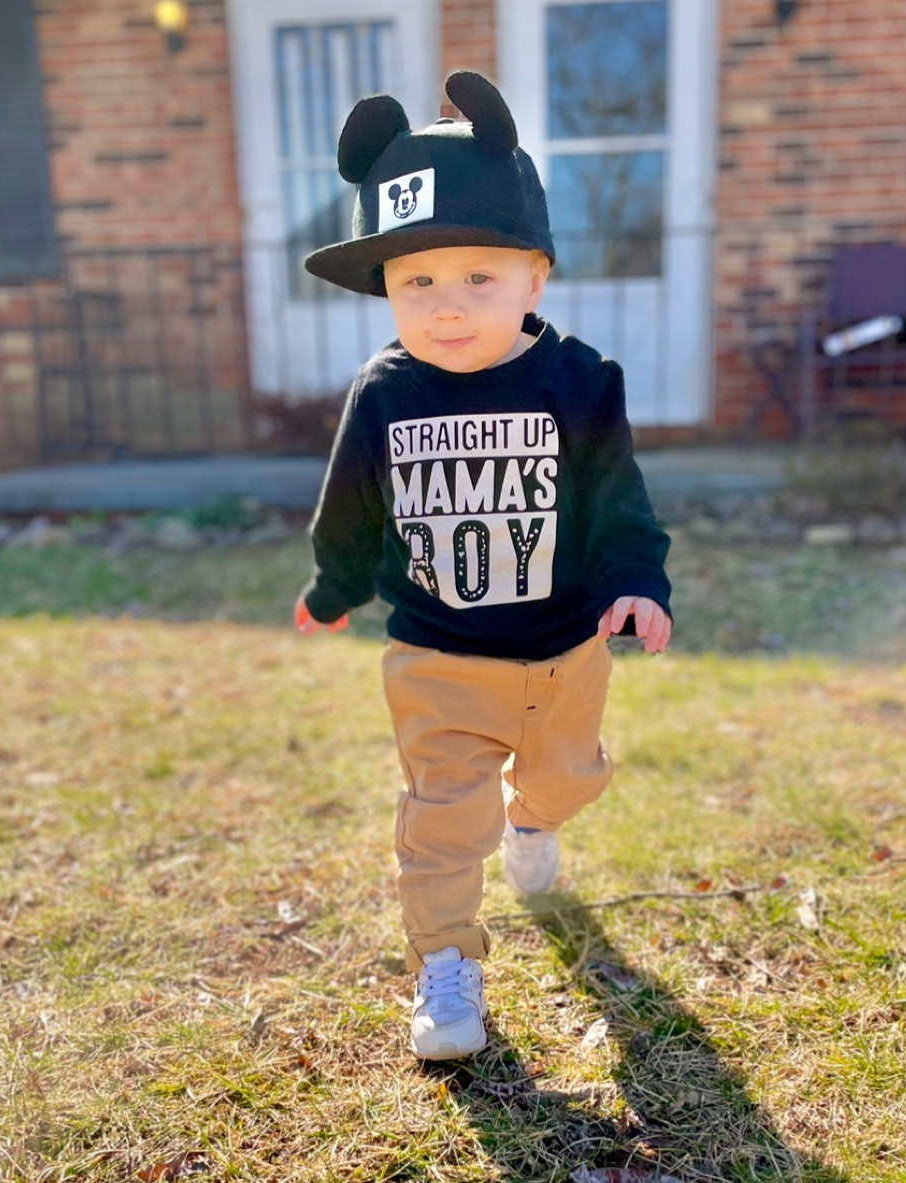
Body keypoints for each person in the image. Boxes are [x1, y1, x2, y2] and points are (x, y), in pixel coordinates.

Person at [295, 71, 672, 1061]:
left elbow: (616, 501)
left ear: (534, 277)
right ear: (385, 287)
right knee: (437, 821)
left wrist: (636, 580)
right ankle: (444, 969)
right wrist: (332, 588)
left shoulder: (578, 381)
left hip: (562, 651)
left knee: (566, 778)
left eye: (477, 278)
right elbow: (350, 505)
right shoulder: (381, 392)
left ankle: (534, 823)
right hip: (435, 656)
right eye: (417, 281)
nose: (447, 307)